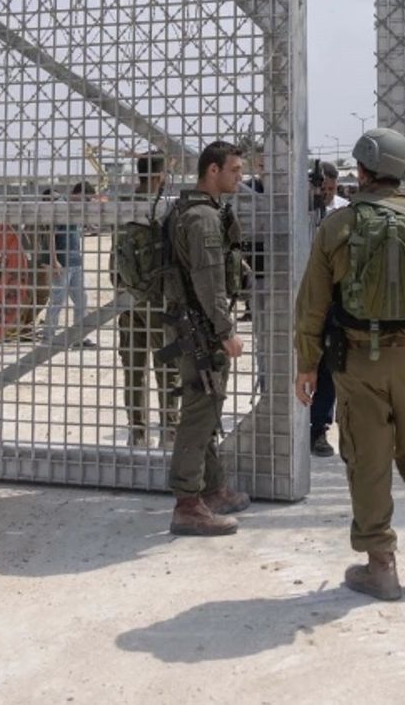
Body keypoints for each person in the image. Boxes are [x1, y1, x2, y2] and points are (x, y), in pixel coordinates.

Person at [294, 127, 405, 600]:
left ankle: (381, 567)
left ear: (363, 170)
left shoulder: (338, 225)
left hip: (357, 361)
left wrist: (307, 364)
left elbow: (311, 304)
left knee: (367, 458)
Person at [165, 141, 253, 537]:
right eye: (234, 170)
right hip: (201, 329)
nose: (240, 177)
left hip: (193, 326)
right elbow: (208, 280)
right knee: (200, 411)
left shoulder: (194, 210)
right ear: (212, 171)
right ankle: (187, 503)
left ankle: (213, 489)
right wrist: (225, 331)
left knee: (209, 404)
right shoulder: (201, 218)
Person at [118, 151, 177, 447]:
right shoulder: (163, 208)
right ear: (159, 175)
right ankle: (169, 430)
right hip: (157, 298)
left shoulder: (123, 205)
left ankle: (137, 432)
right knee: (166, 366)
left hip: (126, 298)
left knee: (133, 369)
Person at [307, 158, 347, 458]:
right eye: (323, 188)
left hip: (332, 297)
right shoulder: (300, 208)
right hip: (299, 294)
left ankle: (319, 429)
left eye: (331, 189)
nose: (327, 194)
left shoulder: (344, 210)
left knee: (328, 367)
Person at [40, 182, 94, 346]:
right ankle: (48, 338)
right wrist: (54, 261)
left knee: (81, 300)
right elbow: (50, 234)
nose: (87, 203)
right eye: (86, 199)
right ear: (78, 194)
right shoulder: (60, 206)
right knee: (58, 300)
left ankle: (79, 337)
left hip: (75, 260)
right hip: (62, 261)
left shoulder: (76, 210)